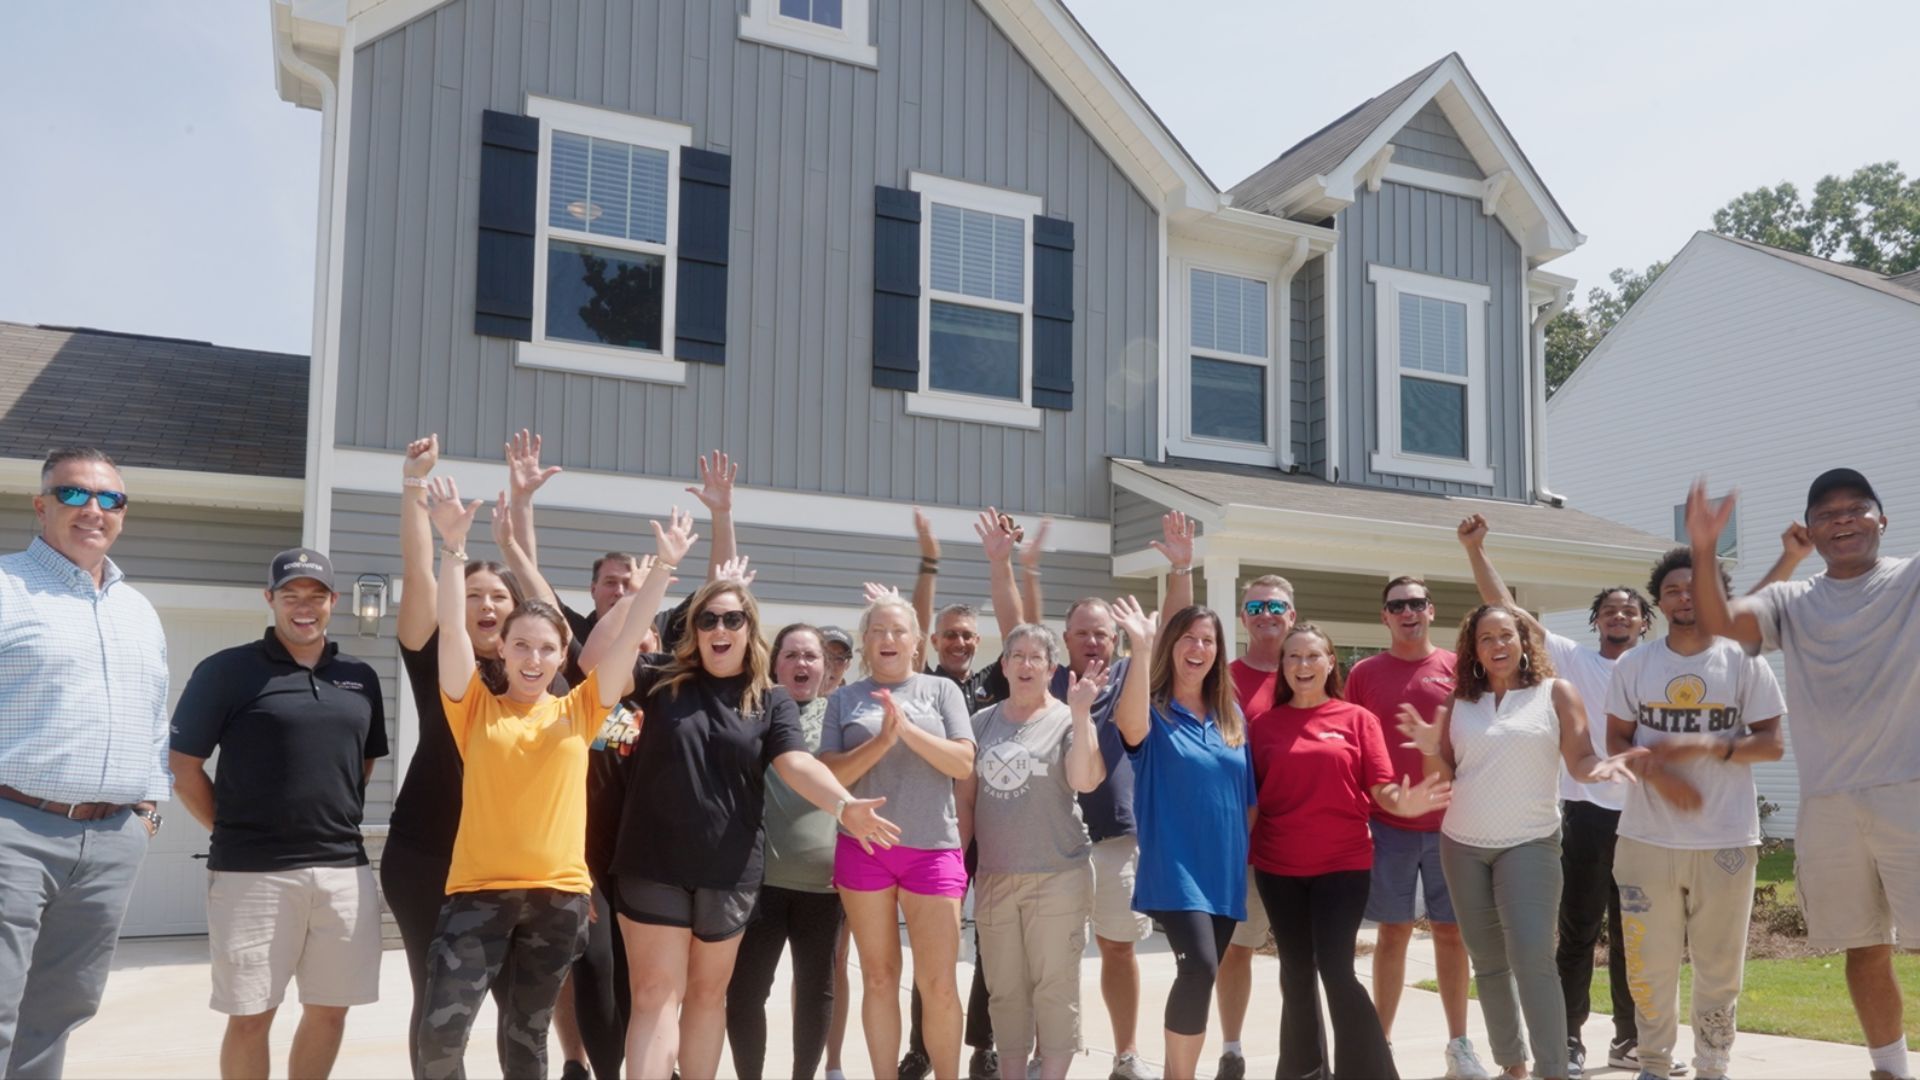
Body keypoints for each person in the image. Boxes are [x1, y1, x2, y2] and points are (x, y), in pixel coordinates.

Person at [586, 565, 898, 1080]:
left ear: (749, 628)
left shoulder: (770, 698)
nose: (719, 629)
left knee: (709, 998)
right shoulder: (659, 677)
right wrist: (646, 590)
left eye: (732, 618)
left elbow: (796, 763)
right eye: (708, 619)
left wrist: (843, 805)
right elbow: (597, 667)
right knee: (654, 995)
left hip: (728, 872)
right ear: (695, 629)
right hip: (652, 863)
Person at [411, 476, 652, 1080]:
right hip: (477, 894)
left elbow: (622, 648)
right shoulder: (472, 705)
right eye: (521, 645)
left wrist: (659, 577)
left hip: (557, 899)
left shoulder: (582, 707)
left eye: (546, 648)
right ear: (505, 648)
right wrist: (452, 548)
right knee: (440, 1035)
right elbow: (450, 625)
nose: (533, 658)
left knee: (526, 1039)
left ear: (560, 653)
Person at [1686, 470, 1920, 1080]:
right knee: (1863, 946)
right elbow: (1721, 625)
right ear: (1811, 531)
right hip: (1829, 803)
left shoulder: (1911, 578)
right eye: (1827, 514)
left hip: (1911, 791)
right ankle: (1889, 1069)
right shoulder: (1792, 600)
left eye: (1856, 509)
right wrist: (1705, 548)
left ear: (1881, 518)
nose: (1842, 520)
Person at [382, 434, 565, 1076]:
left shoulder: (540, 679)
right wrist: (413, 487)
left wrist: (522, 511)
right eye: (476, 595)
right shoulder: (440, 661)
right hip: (429, 854)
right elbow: (415, 574)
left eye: (500, 598)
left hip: (517, 867)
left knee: (522, 1017)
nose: (488, 605)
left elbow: (552, 618)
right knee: (438, 1011)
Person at [169, 549, 388, 1080]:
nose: (304, 607)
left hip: (344, 871)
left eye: (315, 596)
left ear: (333, 602)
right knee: (250, 1016)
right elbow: (183, 766)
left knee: (331, 1011)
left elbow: (362, 761)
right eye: (291, 595)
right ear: (270, 599)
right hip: (252, 875)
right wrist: (227, 828)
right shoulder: (226, 671)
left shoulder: (360, 677)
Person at [1400, 605, 1644, 1080]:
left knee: (1533, 955)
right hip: (1462, 843)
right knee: (1489, 962)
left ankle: (1552, 1069)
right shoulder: (1457, 703)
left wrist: (1604, 768)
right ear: (1473, 648)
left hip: (1530, 841)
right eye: (1486, 638)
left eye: (1506, 635)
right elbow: (1444, 780)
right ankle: (1512, 1064)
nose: (1497, 646)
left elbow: (1580, 761)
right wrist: (1430, 748)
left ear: (1524, 640)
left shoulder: (1556, 693)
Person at [1458, 515, 1659, 1077]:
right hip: (1584, 812)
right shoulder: (1572, 660)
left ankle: (1630, 1039)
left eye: (1631, 609)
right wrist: (1477, 550)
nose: (1621, 615)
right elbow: (1504, 608)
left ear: (1645, 623)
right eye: (1611, 609)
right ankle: (1567, 1038)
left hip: (1644, 818)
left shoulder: (1658, 668)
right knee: (1577, 929)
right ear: (1596, 621)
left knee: (1635, 935)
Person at [0, 447, 168, 1077]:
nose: (93, 509)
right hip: (13, 827)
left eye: (110, 498)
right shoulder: (5, 585)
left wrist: (146, 811)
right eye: (73, 494)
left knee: (63, 1006)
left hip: (111, 839)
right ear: (41, 505)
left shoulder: (138, 610)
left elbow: (156, 719)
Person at [1603, 547, 1785, 1080]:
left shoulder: (1744, 659)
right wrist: (1657, 771)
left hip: (1726, 837)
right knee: (1648, 967)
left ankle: (1713, 1065)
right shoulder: (1635, 664)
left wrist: (1710, 746)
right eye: (1674, 590)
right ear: (1659, 603)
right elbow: (1615, 741)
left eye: (1696, 588)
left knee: (1720, 967)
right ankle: (1654, 1066)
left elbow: (1772, 742)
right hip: (1645, 838)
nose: (1686, 597)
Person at [1251, 623, 1449, 1080]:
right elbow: (1252, 802)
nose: (1303, 665)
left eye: (1312, 656)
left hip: (1343, 866)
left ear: (1329, 663)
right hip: (1279, 868)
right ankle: (1303, 1072)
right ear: (1283, 667)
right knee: (1296, 973)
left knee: (1337, 971)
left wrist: (1408, 801)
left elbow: (1383, 789)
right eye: (1293, 657)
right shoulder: (1263, 725)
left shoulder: (1356, 719)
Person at [820, 595, 977, 1080]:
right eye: (878, 631)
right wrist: (883, 740)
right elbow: (830, 775)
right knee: (879, 978)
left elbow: (962, 763)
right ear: (865, 643)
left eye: (898, 631)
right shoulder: (844, 699)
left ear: (916, 642)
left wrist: (906, 730)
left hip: (933, 850)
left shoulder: (941, 692)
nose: (888, 639)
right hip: (864, 851)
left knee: (939, 984)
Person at [1346, 577, 1487, 1079]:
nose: (1407, 612)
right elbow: (1352, 748)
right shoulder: (1363, 673)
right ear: (1384, 615)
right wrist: (1360, 813)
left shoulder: (1458, 669)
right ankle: (1380, 1048)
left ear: (1431, 610)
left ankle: (1459, 1046)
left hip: (1453, 823)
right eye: (1396, 605)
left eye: (1416, 603)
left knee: (1452, 934)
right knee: (1393, 932)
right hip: (1388, 826)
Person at [1110, 597, 1255, 1080]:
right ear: (1171, 646)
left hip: (1225, 872)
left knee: (1199, 976)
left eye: (1208, 640)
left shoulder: (1231, 714)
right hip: (1175, 868)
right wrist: (1140, 646)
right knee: (1199, 971)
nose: (1198, 648)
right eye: (1189, 638)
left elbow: (1246, 799)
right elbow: (1129, 729)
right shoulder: (1152, 709)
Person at [960, 625, 1107, 1080]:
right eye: (1016, 656)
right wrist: (958, 872)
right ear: (1002, 665)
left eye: (1035, 657)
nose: (1025, 665)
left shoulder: (1067, 718)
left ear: (1051, 669)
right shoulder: (981, 723)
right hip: (996, 878)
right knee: (1004, 991)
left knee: (1054, 989)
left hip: (1057, 874)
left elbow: (1085, 780)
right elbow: (964, 802)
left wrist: (1082, 716)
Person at [725, 625, 847, 1080]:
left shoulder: (839, 716)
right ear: (774, 663)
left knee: (816, 991)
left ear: (826, 667)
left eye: (811, 656)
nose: (802, 664)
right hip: (760, 882)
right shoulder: (753, 711)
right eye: (791, 655)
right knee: (745, 993)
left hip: (825, 885)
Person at [1219, 574, 1300, 1080]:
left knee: (1300, 957)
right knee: (1238, 949)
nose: (1266, 613)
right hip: (1241, 845)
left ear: (1292, 614)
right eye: (1255, 606)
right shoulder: (1220, 678)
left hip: (1302, 840)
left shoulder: (1308, 670)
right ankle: (1231, 1050)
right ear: (1242, 615)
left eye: (1276, 605)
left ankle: (1301, 1051)